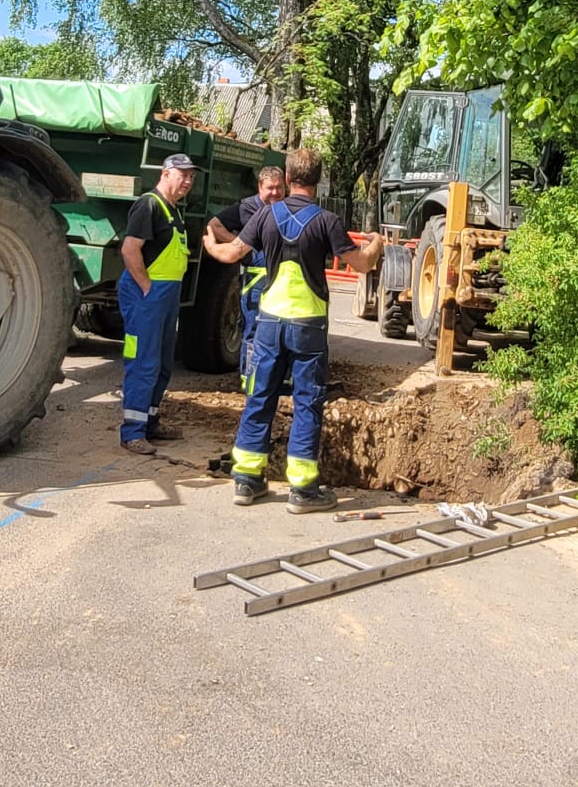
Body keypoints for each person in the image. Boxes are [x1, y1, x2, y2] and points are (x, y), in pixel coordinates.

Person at [201, 148, 382, 513]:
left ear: (287, 177)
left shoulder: (267, 215)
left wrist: (209, 244)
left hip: (268, 322)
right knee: (307, 403)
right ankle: (302, 490)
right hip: (308, 326)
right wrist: (376, 243)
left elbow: (231, 253)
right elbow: (362, 263)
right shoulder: (327, 221)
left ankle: (247, 481)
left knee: (259, 397)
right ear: (319, 178)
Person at [117, 154, 198, 455]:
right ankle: (132, 432)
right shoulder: (149, 205)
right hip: (147, 297)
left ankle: (150, 422)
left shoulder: (173, 209)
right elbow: (130, 250)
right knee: (144, 363)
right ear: (165, 174)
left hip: (166, 296)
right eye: (183, 175)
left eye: (191, 177)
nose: (188, 181)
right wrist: (147, 288)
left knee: (163, 364)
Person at [205, 164, 286, 392]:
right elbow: (213, 225)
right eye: (270, 188)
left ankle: (272, 379)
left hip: (278, 283)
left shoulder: (284, 209)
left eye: (279, 188)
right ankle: (248, 379)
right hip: (254, 282)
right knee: (253, 330)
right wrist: (238, 244)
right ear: (260, 187)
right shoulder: (247, 207)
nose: (275, 193)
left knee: (276, 332)